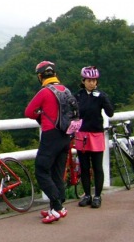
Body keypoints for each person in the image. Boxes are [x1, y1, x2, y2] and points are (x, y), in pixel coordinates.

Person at [24, 61, 73, 224]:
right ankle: (56, 207)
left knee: (41, 170)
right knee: (57, 173)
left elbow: (29, 111)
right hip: (66, 136)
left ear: (40, 76)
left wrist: (40, 115)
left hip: (50, 136)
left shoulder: (44, 92)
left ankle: (57, 206)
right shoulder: (65, 90)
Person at [72, 66, 114, 209]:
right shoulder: (77, 96)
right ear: (83, 81)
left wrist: (103, 98)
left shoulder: (101, 95)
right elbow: (72, 113)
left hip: (96, 133)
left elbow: (110, 113)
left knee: (97, 167)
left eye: (94, 80)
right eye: (89, 80)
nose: (92, 83)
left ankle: (97, 196)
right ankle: (87, 195)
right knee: (84, 167)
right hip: (81, 134)